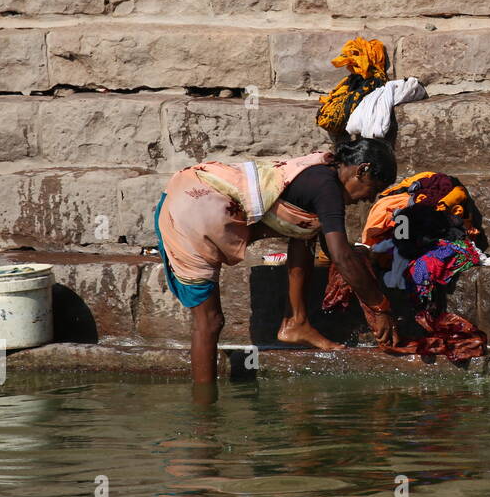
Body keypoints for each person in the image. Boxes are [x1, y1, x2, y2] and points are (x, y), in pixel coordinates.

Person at [152, 138, 399, 384]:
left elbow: (331, 245)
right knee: (209, 321)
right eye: (374, 188)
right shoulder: (327, 189)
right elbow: (340, 256)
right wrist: (381, 307)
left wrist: (362, 261)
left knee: (307, 229)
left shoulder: (321, 175)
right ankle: (204, 416)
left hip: (193, 194)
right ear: (362, 170)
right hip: (191, 208)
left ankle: (295, 322)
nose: (369, 199)